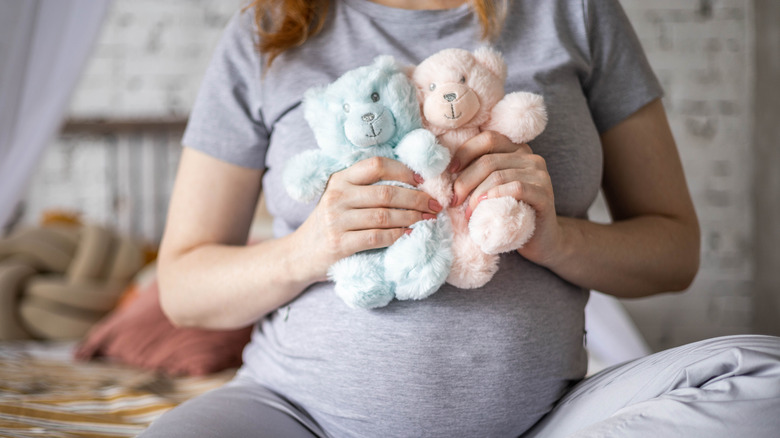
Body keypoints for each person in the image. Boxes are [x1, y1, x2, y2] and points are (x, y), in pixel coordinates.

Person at [140, 0, 780, 437]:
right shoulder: (270, 27)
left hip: (547, 422)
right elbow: (185, 288)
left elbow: (674, 250)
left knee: (765, 380)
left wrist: (556, 238)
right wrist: (309, 249)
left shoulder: (574, 11)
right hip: (297, 415)